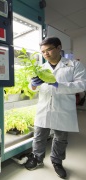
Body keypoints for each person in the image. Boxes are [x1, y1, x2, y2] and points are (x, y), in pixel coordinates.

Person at [24, 37, 86, 179]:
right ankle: (37, 158)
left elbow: (82, 84)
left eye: (49, 49)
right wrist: (33, 84)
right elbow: (32, 88)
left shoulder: (74, 65)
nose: (46, 54)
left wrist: (58, 84)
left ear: (59, 48)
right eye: (43, 51)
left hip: (63, 109)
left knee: (60, 138)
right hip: (44, 108)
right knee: (39, 136)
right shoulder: (40, 68)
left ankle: (57, 162)